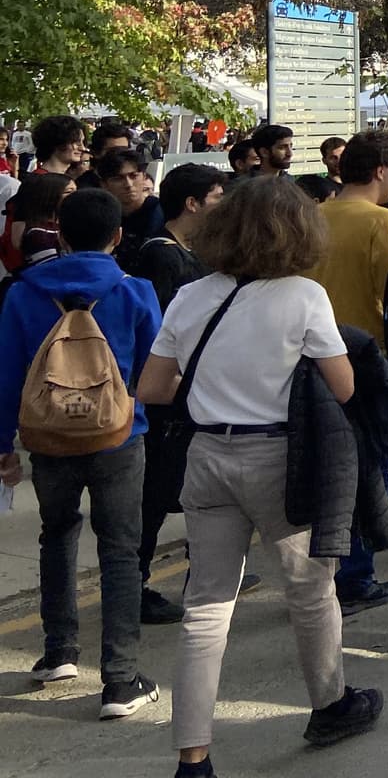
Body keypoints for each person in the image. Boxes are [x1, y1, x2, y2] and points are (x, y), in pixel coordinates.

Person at [132, 178, 381, 771]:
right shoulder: (303, 296)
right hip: (278, 459)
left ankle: (193, 756)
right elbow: (344, 386)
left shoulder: (191, 297)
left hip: (207, 459)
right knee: (310, 590)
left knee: (206, 608)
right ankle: (330, 704)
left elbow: (151, 388)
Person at [0, 188, 163, 718]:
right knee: (119, 549)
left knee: (57, 533)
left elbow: (5, 378)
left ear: (61, 235)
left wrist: (4, 446)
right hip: (119, 433)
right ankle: (120, 680)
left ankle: (58, 651)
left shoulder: (22, 293)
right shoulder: (135, 290)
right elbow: (153, 370)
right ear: (118, 236)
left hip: (48, 437)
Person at [306, 130, 388, 614]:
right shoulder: (382, 221)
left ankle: (329, 568)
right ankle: (355, 574)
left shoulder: (313, 216)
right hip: (366, 357)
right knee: (369, 468)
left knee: (326, 465)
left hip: (311, 356)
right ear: (380, 171)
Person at [128, 163, 225, 624]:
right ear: (192, 203)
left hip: (190, 393)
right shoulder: (163, 257)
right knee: (157, 494)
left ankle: (202, 572)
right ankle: (136, 582)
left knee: (193, 491)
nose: (223, 207)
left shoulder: (191, 251)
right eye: (217, 198)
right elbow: (162, 333)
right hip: (169, 398)